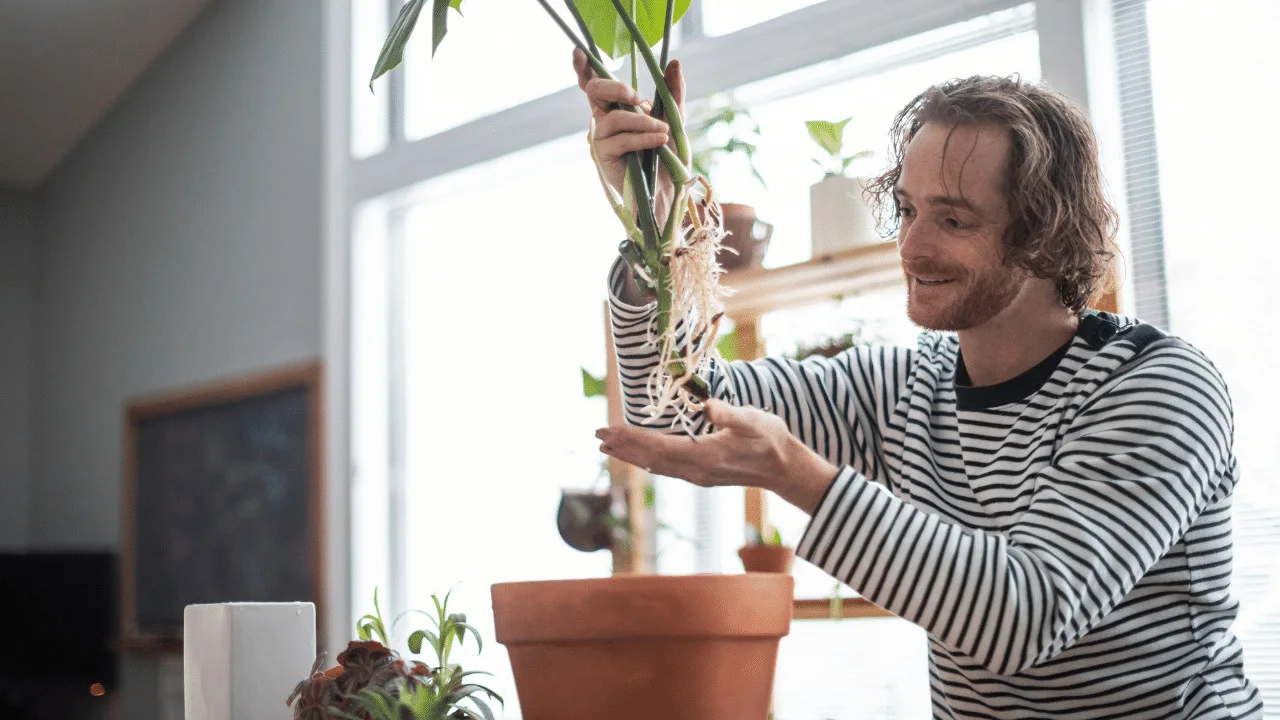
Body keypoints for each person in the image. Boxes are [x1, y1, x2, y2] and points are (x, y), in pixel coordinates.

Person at [574, 48, 1263, 719]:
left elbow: (1025, 618)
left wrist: (800, 477)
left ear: (1044, 236)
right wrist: (652, 224)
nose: (910, 246)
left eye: (954, 219)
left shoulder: (1159, 387)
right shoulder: (904, 387)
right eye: (907, 210)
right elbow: (673, 414)